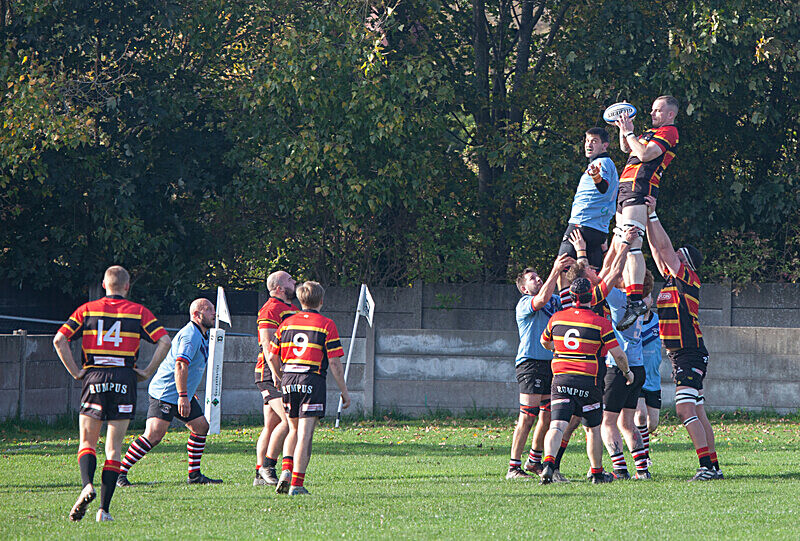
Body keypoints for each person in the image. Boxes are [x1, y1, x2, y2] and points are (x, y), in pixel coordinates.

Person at [53, 266, 171, 522]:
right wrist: (147, 371)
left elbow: (59, 340)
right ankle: (103, 511)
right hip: (124, 378)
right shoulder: (139, 312)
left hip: (94, 376)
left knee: (87, 441)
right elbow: (165, 341)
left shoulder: (87, 310)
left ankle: (87, 485)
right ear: (127, 286)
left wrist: (76, 372)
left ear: (104, 285)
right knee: (114, 448)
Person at [645, 195, 722, 480]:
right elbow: (657, 249)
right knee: (698, 411)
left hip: (690, 351)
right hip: (681, 353)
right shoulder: (671, 280)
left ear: (685, 262)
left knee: (684, 408)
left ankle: (705, 467)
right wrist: (643, 219)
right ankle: (713, 467)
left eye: (678, 254)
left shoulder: (687, 277)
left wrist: (654, 215)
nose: (672, 255)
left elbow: (664, 248)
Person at [117, 298, 222, 486]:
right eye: (209, 309)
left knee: (201, 427)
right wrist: (183, 395)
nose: (214, 313)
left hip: (181, 393)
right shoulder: (191, 335)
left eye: (213, 309)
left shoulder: (202, 334)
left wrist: (187, 392)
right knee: (154, 435)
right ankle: (118, 474)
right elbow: (180, 364)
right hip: (166, 393)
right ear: (196, 315)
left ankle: (194, 476)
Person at [539, 278, 633, 485]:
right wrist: (627, 372)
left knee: (557, 425)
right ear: (591, 296)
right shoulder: (600, 322)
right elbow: (618, 354)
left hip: (561, 379)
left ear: (571, 297)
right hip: (588, 382)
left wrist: (558, 349)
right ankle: (597, 473)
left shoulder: (556, 318)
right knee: (593, 428)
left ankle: (548, 464)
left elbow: (544, 342)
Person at [267, 281, 350, 495]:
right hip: (311, 379)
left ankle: (286, 471)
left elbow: (272, 355)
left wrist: (279, 376)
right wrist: (344, 390)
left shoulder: (286, 323)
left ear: (300, 300)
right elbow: (334, 362)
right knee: (305, 434)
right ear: (321, 300)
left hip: (288, 379)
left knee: (292, 429)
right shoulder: (326, 324)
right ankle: (297, 484)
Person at [614, 96, 681, 330]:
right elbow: (627, 148)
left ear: (670, 114)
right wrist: (624, 129)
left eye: (657, 110)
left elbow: (644, 155)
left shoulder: (669, 132)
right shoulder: (648, 132)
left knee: (633, 244)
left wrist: (629, 133)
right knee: (621, 245)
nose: (652, 114)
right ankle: (631, 297)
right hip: (625, 188)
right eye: (652, 110)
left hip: (640, 186)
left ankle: (636, 301)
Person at [507, 253, 573, 480]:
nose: (538, 279)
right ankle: (513, 467)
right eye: (532, 278)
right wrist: (555, 270)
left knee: (548, 415)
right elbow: (541, 300)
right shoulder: (525, 303)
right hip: (530, 364)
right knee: (528, 416)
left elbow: (566, 297)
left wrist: (566, 269)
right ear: (524, 289)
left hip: (551, 363)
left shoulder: (554, 299)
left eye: (538, 276)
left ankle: (534, 461)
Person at [600, 271, 655, 480]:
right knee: (627, 423)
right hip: (638, 366)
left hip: (619, 367)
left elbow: (600, 281)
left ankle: (620, 469)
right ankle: (642, 469)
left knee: (608, 421)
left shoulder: (620, 299)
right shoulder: (642, 301)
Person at [557, 127, 619, 307]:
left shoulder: (602, 163)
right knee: (592, 276)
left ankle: (568, 310)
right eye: (587, 140)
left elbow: (603, 187)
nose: (588, 144)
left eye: (594, 141)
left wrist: (596, 177)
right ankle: (593, 311)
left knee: (562, 268)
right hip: (598, 231)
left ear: (605, 145)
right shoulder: (606, 164)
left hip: (582, 225)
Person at [253, 271, 298, 486]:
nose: (294, 281)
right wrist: (276, 373)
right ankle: (268, 466)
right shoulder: (270, 309)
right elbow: (267, 344)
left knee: (271, 425)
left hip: (283, 371)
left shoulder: (292, 308)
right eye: (289, 279)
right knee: (289, 420)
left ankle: (259, 476)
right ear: (279, 288)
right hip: (270, 373)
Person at [635, 301, 661, 458]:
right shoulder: (630, 322)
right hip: (636, 377)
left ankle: (628, 428)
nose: (645, 300)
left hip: (653, 379)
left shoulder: (659, 321)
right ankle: (644, 458)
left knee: (652, 424)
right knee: (641, 416)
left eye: (648, 296)